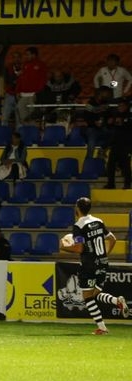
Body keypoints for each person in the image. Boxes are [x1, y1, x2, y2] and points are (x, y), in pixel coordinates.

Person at [59, 197, 129, 334]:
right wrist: (104, 254)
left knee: (87, 297)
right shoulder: (98, 221)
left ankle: (102, 328)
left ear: (77, 208)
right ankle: (116, 301)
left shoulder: (78, 226)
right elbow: (112, 239)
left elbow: (79, 248)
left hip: (89, 264)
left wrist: (64, 246)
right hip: (102, 263)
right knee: (95, 294)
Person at [15, 47, 47, 127]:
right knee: (20, 109)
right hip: (24, 94)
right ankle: (25, 130)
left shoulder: (41, 65)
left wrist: (38, 93)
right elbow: (20, 79)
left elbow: (43, 80)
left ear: (34, 55)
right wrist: (18, 91)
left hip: (33, 94)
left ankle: (33, 132)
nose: (26, 56)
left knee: (32, 115)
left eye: (28, 54)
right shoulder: (25, 65)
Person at [105, 98, 132, 190]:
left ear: (126, 107)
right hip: (115, 144)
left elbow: (128, 127)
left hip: (126, 144)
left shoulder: (129, 116)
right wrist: (109, 123)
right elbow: (110, 127)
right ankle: (111, 184)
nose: (119, 107)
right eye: (119, 106)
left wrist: (123, 123)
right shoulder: (115, 115)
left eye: (122, 106)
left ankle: (127, 184)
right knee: (110, 165)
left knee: (126, 165)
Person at [1, 51, 23, 127]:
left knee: (19, 118)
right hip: (10, 94)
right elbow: (7, 81)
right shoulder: (8, 68)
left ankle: (19, 136)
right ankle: (3, 134)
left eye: (18, 57)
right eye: (14, 57)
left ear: (20, 58)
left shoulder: (24, 68)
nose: (16, 59)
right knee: (4, 117)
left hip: (20, 95)